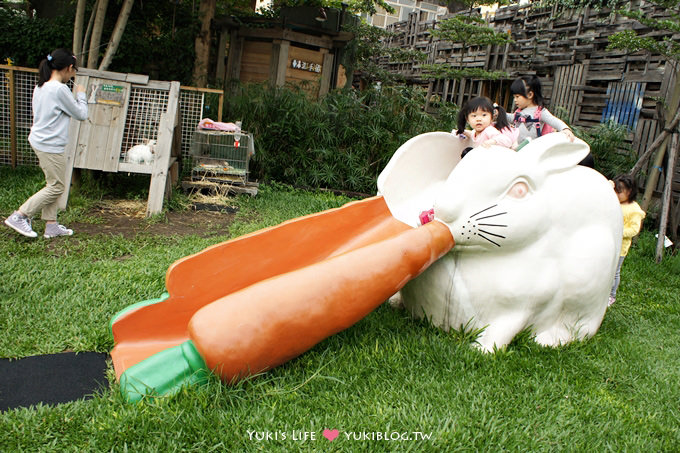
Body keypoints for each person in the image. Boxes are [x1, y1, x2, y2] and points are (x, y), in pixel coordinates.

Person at [4, 49, 88, 238]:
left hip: (41, 140)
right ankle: (20, 215)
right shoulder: (59, 89)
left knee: (53, 183)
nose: (73, 75)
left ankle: (51, 225)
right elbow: (81, 114)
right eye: (73, 72)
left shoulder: (41, 86)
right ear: (68, 68)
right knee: (57, 186)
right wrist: (81, 95)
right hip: (50, 145)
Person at [609, 174, 645, 306]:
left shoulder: (634, 210)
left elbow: (634, 230)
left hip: (620, 247)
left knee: (614, 272)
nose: (615, 194)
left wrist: (618, 232)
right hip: (608, 244)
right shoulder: (615, 203)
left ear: (629, 192)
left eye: (619, 192)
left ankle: (611, 295)